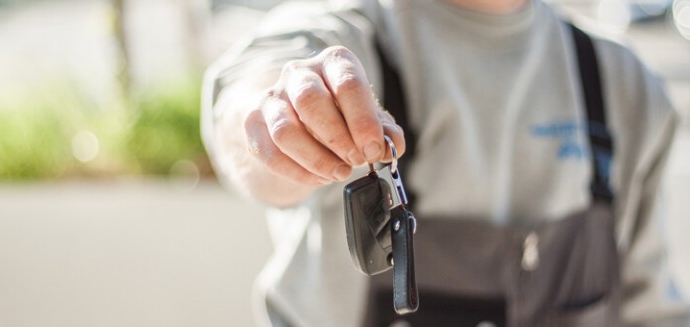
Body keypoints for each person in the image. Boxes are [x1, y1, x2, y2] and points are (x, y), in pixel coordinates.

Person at [201, 0, 690, 325]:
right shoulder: (349, 31)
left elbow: (650, 309)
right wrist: (287, 119)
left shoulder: (624, 84)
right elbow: (250, 108)